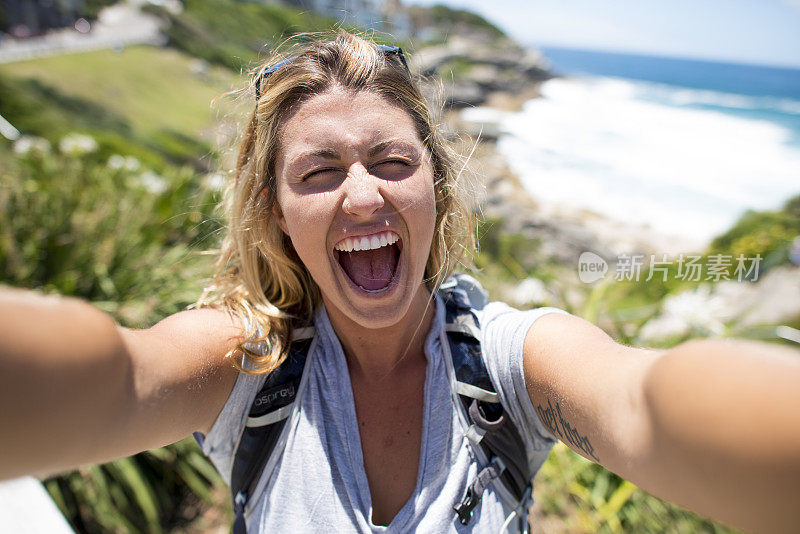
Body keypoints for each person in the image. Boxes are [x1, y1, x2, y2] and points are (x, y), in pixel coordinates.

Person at [1, 31, 799, 533]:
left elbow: (644, 402)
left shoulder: (511, 364)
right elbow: (118, 377)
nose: (363, 195)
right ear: (276, 214)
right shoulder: (245, 368)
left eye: (392, 163)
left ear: (436, 191)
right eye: (318, 172)